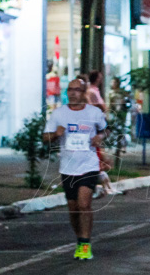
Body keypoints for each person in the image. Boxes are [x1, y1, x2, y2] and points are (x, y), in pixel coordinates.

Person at [43, 78, 108, 260]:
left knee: (84, 204)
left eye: (77, 90)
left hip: (88, 165)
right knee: (73, 209)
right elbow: (45, 137)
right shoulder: (59, 114)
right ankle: (80, 239)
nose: (72, 93)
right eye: (70, 90)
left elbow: (106, 130)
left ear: (84, 92)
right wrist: (55, 135)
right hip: (68, 167)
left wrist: (100, 137)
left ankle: (86, 244)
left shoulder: (94, 113)